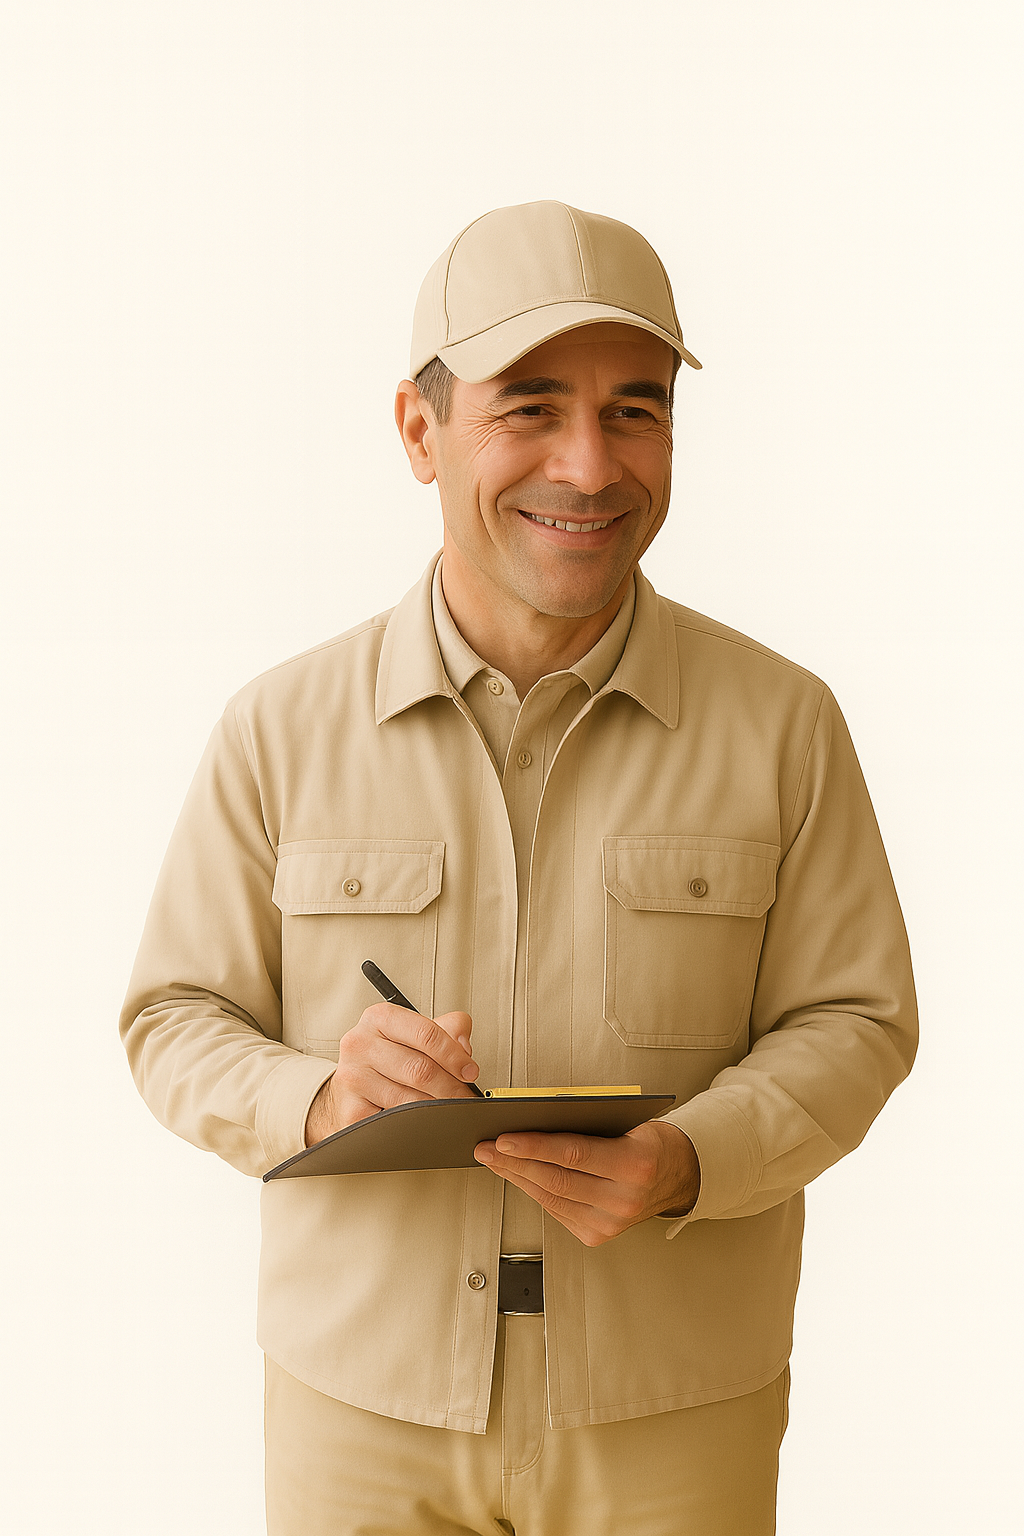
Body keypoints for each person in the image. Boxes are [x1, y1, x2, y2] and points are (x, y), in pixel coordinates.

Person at [121, 201, 917, 1536]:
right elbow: (170, 1021)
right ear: (419, 431)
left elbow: (858, 1024)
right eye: (533, 407)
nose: (591, 465)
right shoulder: (281, 726)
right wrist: (319, 1095)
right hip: (362, 1411)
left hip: (674, 1412)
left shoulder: (785, 724)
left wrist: (690, 1158)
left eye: (637, 410)